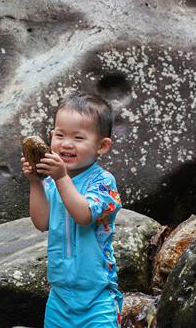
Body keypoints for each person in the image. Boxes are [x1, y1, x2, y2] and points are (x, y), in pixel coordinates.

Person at [21, 93, 123, 328]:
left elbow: (84, 215)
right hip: (60, 296)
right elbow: (41, 222)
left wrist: (60, 177)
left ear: (102, 146)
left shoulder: (103, 182)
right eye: (59, 135)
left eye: (78, 137)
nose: (66, 144)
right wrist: (35, 181)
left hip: (98, 297)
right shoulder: (51, 182)